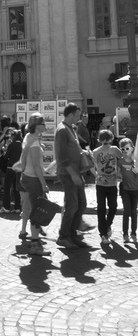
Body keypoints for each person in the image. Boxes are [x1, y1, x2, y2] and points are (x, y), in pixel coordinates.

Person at [54, 103, 89, 250]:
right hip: (68, 173)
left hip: (75, 172)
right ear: (69, 115)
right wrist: (73, 174)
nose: (79, 118)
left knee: (82, 204)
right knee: (72, 205)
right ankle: (64, 236)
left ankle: (73, 235)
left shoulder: (71, 129)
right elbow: (61, 156)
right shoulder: (62, 130)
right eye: (77, 116)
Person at [20, 114, 51, 256]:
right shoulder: (34, 141)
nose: (45, 125)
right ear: (37, 125)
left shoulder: (29, 138)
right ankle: (35, 245)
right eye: (43, 123)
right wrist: (44, 183)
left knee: (36, 209)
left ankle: (36, 241)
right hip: (33, 179)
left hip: (27, 177)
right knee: (37, 211)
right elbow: (36, 165)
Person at [92, 129, 122, 244]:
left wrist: (119, 172)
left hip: (112, 183)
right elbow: (91, 167)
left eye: (107, 139)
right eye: (103, 139)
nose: (105, 141)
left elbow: (123, 160)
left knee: (113, 207)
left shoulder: (114, 150)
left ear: (111, 139)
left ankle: (107, 225)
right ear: (99, 140)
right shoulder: (96, 151)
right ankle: (103, 234)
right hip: (100, 184)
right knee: (101, 209)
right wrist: (98, 177)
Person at [118, 137, 138, 243]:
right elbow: (117, 174)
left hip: (135, 190)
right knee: (126, 211)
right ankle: (125, 234)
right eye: (123, 149)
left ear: (132, 148)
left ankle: (133, 233)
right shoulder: (120, 161)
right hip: (125, 189)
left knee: (134, 212)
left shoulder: (136, 161)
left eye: (127, 148)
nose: (125, 151)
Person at [0, 128, 22, 214]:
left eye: (12, 135)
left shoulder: (12, 145)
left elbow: (5, 157)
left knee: (7, 188)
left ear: (14, 136)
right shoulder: (22, 145)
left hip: (10, 168)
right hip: (18, 169)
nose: (10, 137)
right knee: (16, 188)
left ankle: (6, 207)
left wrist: (4, 150)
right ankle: (17, 207)